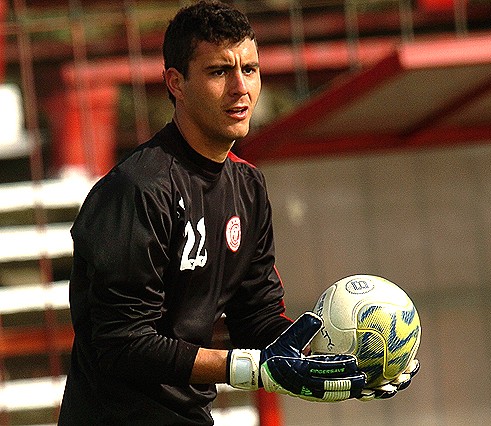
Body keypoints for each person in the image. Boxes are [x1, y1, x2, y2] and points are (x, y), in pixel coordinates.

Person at [58, 1, 417, 424]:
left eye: (249, 69)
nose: (240, 87)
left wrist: (339, 361)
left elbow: (256, 318)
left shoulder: (247, 186)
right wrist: (252, 369)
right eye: (218, 72)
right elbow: (123, 343)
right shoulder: (137, 190)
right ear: (176, 82)